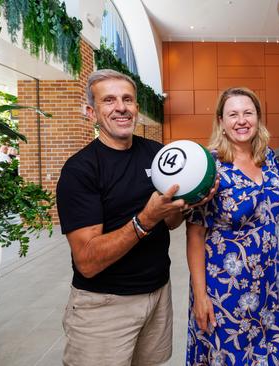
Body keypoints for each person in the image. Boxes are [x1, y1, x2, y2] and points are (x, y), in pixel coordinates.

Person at [56, 69, 215, 366]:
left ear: (137, 110)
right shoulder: (80, 171)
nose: (121, 107)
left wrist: (190, 202)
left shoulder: (156, 154)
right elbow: (87, 262)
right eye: (109, 100)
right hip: (104, 305)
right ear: (92, 111)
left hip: (157, 295)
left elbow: (170, 221)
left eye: (128, 99)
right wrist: (145, 220)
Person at [185, 87, 279, 365]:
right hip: (225, 290)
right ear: (221, 121)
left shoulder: (269, 162)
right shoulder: (209, 167)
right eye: (233, 114)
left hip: (267, 287)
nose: (241, 120)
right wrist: (200, 295)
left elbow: (275, 207)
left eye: (248, 113)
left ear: (258, 117)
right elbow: (195, 234)